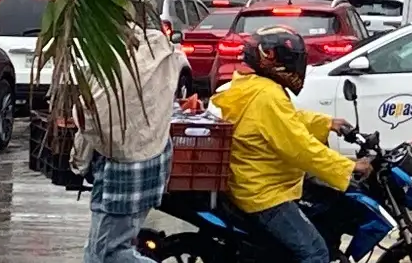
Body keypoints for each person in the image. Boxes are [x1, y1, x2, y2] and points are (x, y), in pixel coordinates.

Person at [211, 26, 372, 263]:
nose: (297, 68)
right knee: (316, 253)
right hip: (264, 192)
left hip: (259, 180)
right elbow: (300, 147)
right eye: (293, 60)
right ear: (271, 59)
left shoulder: (255, 86)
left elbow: (289, 120)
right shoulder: (267, 95)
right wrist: (349, 167)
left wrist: (328, 123)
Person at [70, 18, 185, 263]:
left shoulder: (113, 62)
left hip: (125, 170)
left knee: (108, 255)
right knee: (97, 251)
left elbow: (92, 116)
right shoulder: (159, 50)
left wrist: (79, 158)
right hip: (151, 158)